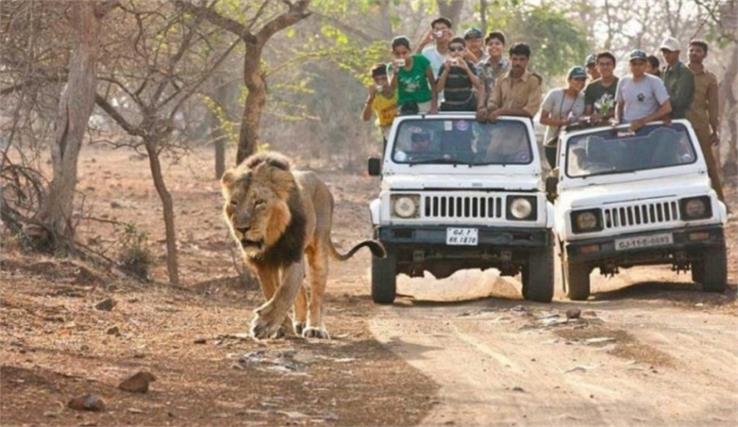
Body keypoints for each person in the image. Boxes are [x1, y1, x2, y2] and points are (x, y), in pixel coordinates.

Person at [686, 39, 724, 201]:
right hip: (678, 126)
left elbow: (714, 106)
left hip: (700, 125)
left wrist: (714, 130)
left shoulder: (709, 78)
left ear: (705, 55)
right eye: (691, 50)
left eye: (698, 51)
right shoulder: (678, 73)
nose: (694, 53)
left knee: (708, 164)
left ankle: (720, 201)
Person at [540, 66, 587, 167]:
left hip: (574, 144)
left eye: (583, 79)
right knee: (556, 172)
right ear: (569, 80)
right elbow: (542, 119)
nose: (580, 82)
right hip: (553, 143)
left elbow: (585, 117)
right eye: (576, 79)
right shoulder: (554, 94)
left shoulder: (583, 98)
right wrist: (561, 123)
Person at [614, 49, 672, 132]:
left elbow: (667, 108)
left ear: (645, 65)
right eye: (634, 64)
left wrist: (643, 121)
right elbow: (619, 104)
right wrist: (617, 120)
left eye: (640, 64)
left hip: (648, 127)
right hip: (627, 127)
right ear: (629, 65)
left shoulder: (655, 81)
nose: (637, 67)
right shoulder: (623, 81)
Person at [482, 43, 542, 122]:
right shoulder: (502, 79)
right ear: (510, 59)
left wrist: (502, 111)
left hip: (521, 129)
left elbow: (529, 111)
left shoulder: (533, 81)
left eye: (521, 59)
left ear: (527, 60)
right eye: (515, 59)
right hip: (500, 127)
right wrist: (486, 110)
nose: (518, 63)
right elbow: (493, 102)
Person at [389, 36, 438, 115]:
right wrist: (395, 74)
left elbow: (433, 84)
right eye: (397, 54)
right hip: (404, 104)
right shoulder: (391, 67)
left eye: (404, 53)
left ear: (410, 51)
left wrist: (434, 105)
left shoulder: (421, 60)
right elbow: (392, 90)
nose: (401, 56)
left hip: (424, 102)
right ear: (393, 53)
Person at [437, 37, 481, 111]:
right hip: (449, 106)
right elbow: (438, 89)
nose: (456, 52)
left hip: (467, 106)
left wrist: (467, 69)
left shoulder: (470, 65)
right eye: (452, 49)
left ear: (465, 51)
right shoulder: (444, 65)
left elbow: (478, 85)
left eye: (460, 49)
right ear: (449, 52)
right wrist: (446, 71)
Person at [362, 64, 397, 146]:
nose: (381, 82)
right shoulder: (376, 97)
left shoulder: (399, 91)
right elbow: (365, 118)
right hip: (387, 128)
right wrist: (370, 98)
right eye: (377, 80)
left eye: (384, 79)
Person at [660, 36, 695, 119]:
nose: (666, 55)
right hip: (662, 119)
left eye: (669, 52)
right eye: (664, 52)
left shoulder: (685, 73)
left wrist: (660, 100)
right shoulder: (663, 72)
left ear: (677, 52)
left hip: (679, 120)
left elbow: (680, 101)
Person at [476, 31, 510, 112]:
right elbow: (481, 88)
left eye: (497, 44)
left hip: (505, 109)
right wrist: (480, 107)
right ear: (485, 47)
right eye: (490, 44)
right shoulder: (481, 66)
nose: (493, 46)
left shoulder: (509, 65)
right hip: (486, 109)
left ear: (503, 46)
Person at [584, 51, 619, 124]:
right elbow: (588, 112)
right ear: (597, 67)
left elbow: (624, 109)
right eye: (602, 64)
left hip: (618, 126)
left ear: (614, 66)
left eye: (608, 64)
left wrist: (602, 116)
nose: (605, 67)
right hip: (598, 129)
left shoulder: (621, 84)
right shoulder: (591, 87)